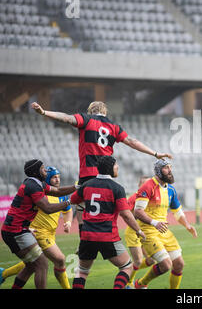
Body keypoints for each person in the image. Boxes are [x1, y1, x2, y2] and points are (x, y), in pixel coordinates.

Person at [31, 101, 172, 246]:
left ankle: (84, 240)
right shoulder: (114, 127)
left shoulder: (86, 120)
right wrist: (155, 153)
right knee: (115, 208)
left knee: (81, 206)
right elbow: (132, 141)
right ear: (105, 112)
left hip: (87, 174)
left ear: (90, 111)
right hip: (107, 176)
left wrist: (44, 112)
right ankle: (119, 236)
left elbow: (66, 118)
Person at [69, 156, 146, 289]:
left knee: (82, 272)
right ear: (110, 168)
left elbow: (74, 200)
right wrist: (138, 230)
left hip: (87, 236)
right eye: (116, 165)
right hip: (107, 236)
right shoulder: (117, 188)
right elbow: (126, 215)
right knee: (126, 267)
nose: (118, 167)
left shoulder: (87, 185)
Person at [0, 159, 75, 289]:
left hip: (20, 229)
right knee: (42, 263)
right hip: (16, 231)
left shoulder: (37, 184)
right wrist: (70, 201)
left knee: (30, 266)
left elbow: (57, 191)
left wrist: (76, 187)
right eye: (43, 168)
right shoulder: (33, 186)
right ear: (36, 171)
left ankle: (5, 275)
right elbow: (48, 208)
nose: (45, 170)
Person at [134, 159, 197, 289]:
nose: (170, 170)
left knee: (179, 264)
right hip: (149, 230)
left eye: (170, 167)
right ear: (158, 170)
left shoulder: (171, 190)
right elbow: (138, 211)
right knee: (166, 265)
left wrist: (187, 225)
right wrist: (154, 222)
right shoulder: (148, 186)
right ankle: (140, 284)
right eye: (166, 168)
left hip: (163, 230)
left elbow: (178, 212)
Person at [123, 175, 155, 288]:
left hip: (144, 232)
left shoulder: (149, 199)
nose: (147, 186)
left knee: (151, 260)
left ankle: (128, 272)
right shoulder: (134, 197)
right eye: (144, 184)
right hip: (133, 232)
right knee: (138, 261)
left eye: (149, 184)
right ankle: (129, 283)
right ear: (139, 186)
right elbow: (126, 213)